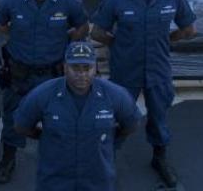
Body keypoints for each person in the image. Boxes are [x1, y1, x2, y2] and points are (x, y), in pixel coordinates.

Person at [91, 0, 196, 188]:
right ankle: (108, 161)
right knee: (117, 117)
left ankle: (159, 159)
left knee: (159, 118)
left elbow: (190, 29)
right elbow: (98, 31)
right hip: (126, 70)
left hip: (158, 70)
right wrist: (118, 45)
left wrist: (168, 41)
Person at [0, 0, 90, 183]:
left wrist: (67, 41)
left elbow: (82, 26)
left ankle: (59, 163)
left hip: (52, 74)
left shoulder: (67, 0)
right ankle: (8, 159)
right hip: (19, 73)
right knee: (13, 119)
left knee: (57, 118)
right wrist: (15, 33)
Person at [13, 41, 142, 191]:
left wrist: (109, 136)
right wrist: (45, 136)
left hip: (98, 181)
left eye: (87, 68)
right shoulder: (43, 95)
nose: (82, 74)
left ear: (95, 68)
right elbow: (21, 126)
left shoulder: (116, 96)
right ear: (65, 68)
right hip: (55, 181)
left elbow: (131, 125)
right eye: (75, 67)